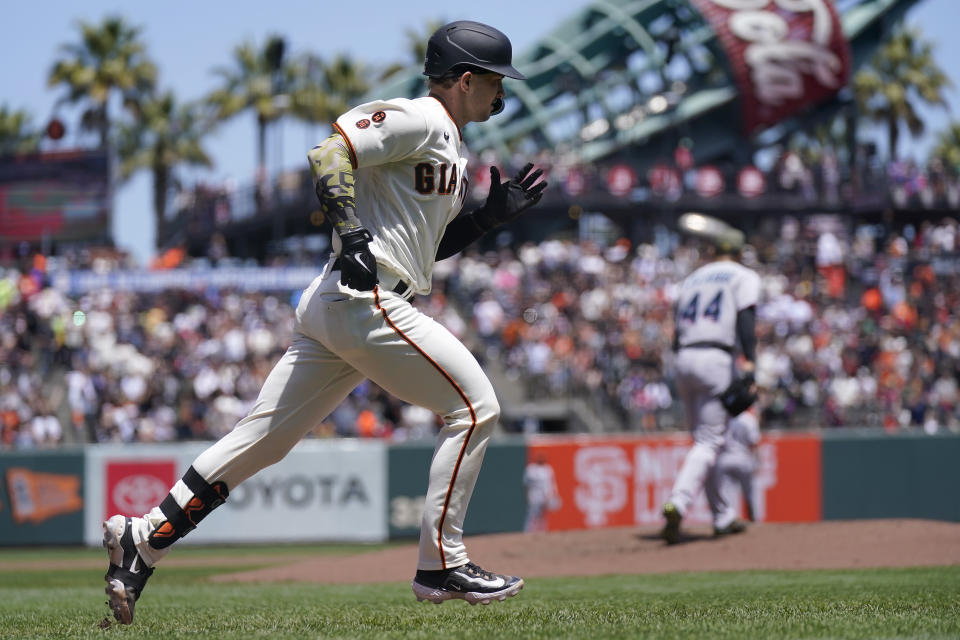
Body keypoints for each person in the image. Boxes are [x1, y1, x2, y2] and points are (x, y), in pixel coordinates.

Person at [101, 20, 547, 624]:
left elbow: (422, 250)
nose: (503, 94)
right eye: (496, 82)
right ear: (466, 79)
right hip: (365, 295)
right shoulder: (422, 117)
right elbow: (329, 151)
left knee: (262, 440)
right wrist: (351, 231)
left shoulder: (450, 144)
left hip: (348, 298)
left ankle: (144, 539)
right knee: (475, 408)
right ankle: (441, 560)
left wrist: (484, 221)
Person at [660, 213, 760, 544]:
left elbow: (675, 331)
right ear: (739, 251)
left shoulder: (692, 279)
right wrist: (751, 364)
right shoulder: (742, 275)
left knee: (704, 442)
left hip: (685, 356)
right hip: (717, 357)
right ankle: (678, 501)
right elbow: (746, 321)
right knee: (708, 443)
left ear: (715, 250)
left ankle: (723, 516)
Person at [708, 406, 761, 531]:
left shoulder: (723, 418)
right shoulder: (749, 419)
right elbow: (754, 443)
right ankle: (754, 519)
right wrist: (757, 462)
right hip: (743, 458)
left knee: (726, 494)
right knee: (750, 493)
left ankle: (728, 520)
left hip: (724, 459)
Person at [523, 454, 561, 532]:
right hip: (534, 495)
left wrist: (554, 494)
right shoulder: (531, 469)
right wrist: (527, 495)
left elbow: (552, 483)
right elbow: (526, 484)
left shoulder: (548, 469)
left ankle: (542, 530)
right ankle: (528, 531)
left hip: (546, 496)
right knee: (533, 514)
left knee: (543, 516)